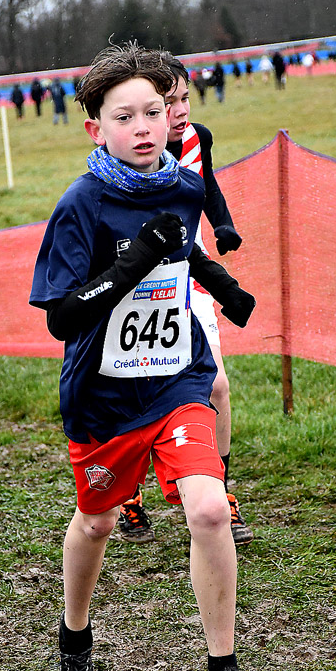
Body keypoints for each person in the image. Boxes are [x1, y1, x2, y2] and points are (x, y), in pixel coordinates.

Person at [29, 43, 274, 671]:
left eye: (152, 112)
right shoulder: (80, 206)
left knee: (208, 509)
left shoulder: (184, 187)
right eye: (123, 116)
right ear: (95, 128)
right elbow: (61, 317)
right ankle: (74, 637)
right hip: (103, 399)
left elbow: (180, 248)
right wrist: (132, 262)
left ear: (171, 118)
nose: (142, 127)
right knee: (96, 524)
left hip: (176, 380)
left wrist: (220, 282)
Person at [118, 53, 253, 547]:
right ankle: (127, 492)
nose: (179, 111)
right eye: (167, 103)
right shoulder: (128, 152)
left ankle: (221, 488)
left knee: (216, 386)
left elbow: (206, 184)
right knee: (137, 392)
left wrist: (222, 225)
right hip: (138, 286)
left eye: (183, 98)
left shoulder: (199, 138)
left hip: (192, 277)